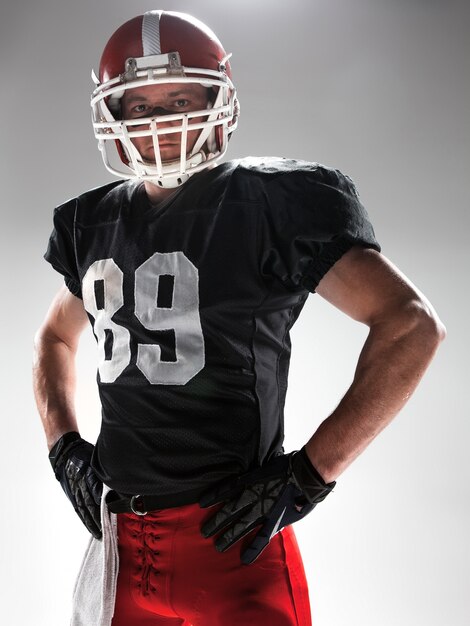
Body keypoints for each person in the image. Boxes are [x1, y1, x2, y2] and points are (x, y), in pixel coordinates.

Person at [33, 10, 445, 626]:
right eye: (140, 107)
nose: (163, 121)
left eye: (179, 98)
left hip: (234, 538)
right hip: (119, 545)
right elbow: (54, 338)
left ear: (218, 97)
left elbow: (411, 324)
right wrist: (64, 447)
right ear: (110, 116)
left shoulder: (268, 205)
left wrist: (309, 473)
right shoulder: (89, 223)